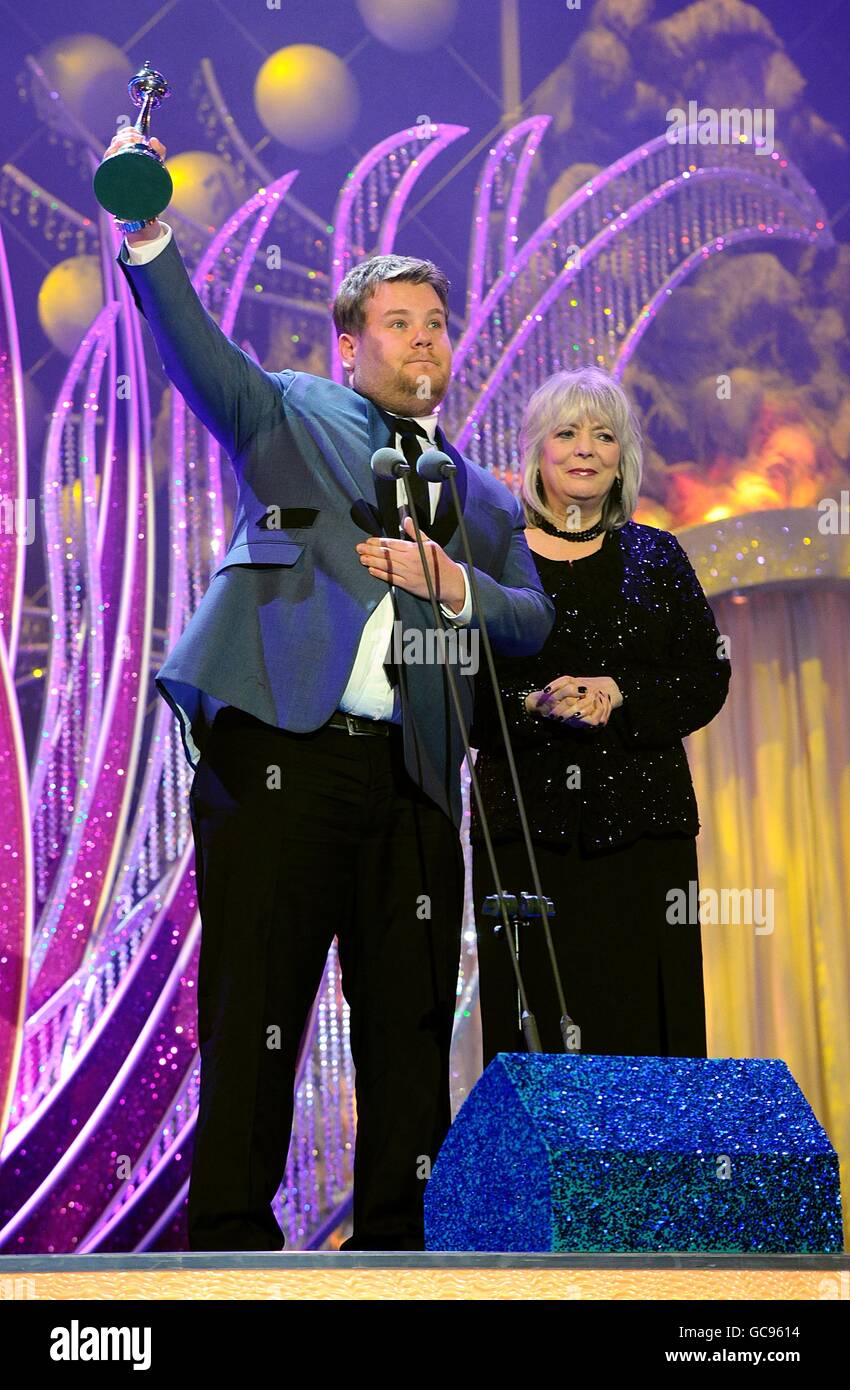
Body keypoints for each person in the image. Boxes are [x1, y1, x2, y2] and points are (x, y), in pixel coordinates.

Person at [104, 127, 554, 1250]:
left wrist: (453, 583)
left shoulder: (482, 497)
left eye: (436, 320)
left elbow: (533, 617)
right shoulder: (293, 410)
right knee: (254, 1001)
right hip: (281, 753)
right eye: (398, 321)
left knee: (409, 1020)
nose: (424, 336)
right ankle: (230, 1239)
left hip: (413, 781)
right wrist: (149, 231)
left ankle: (398, 1242)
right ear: (351, 343)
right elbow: (198, 350)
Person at [469, 366, 731, 1062]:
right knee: (538, 1052)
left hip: (646, 836)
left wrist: (620, 692)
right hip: (526, 837)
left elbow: (706, 676)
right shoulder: (491, 562)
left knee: (649, 1044)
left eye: (604, 435)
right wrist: (534, 703)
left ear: (623, 457)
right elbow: (457, 695)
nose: (585, 448)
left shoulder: (657, 556)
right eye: (567, 433)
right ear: (537, 451)